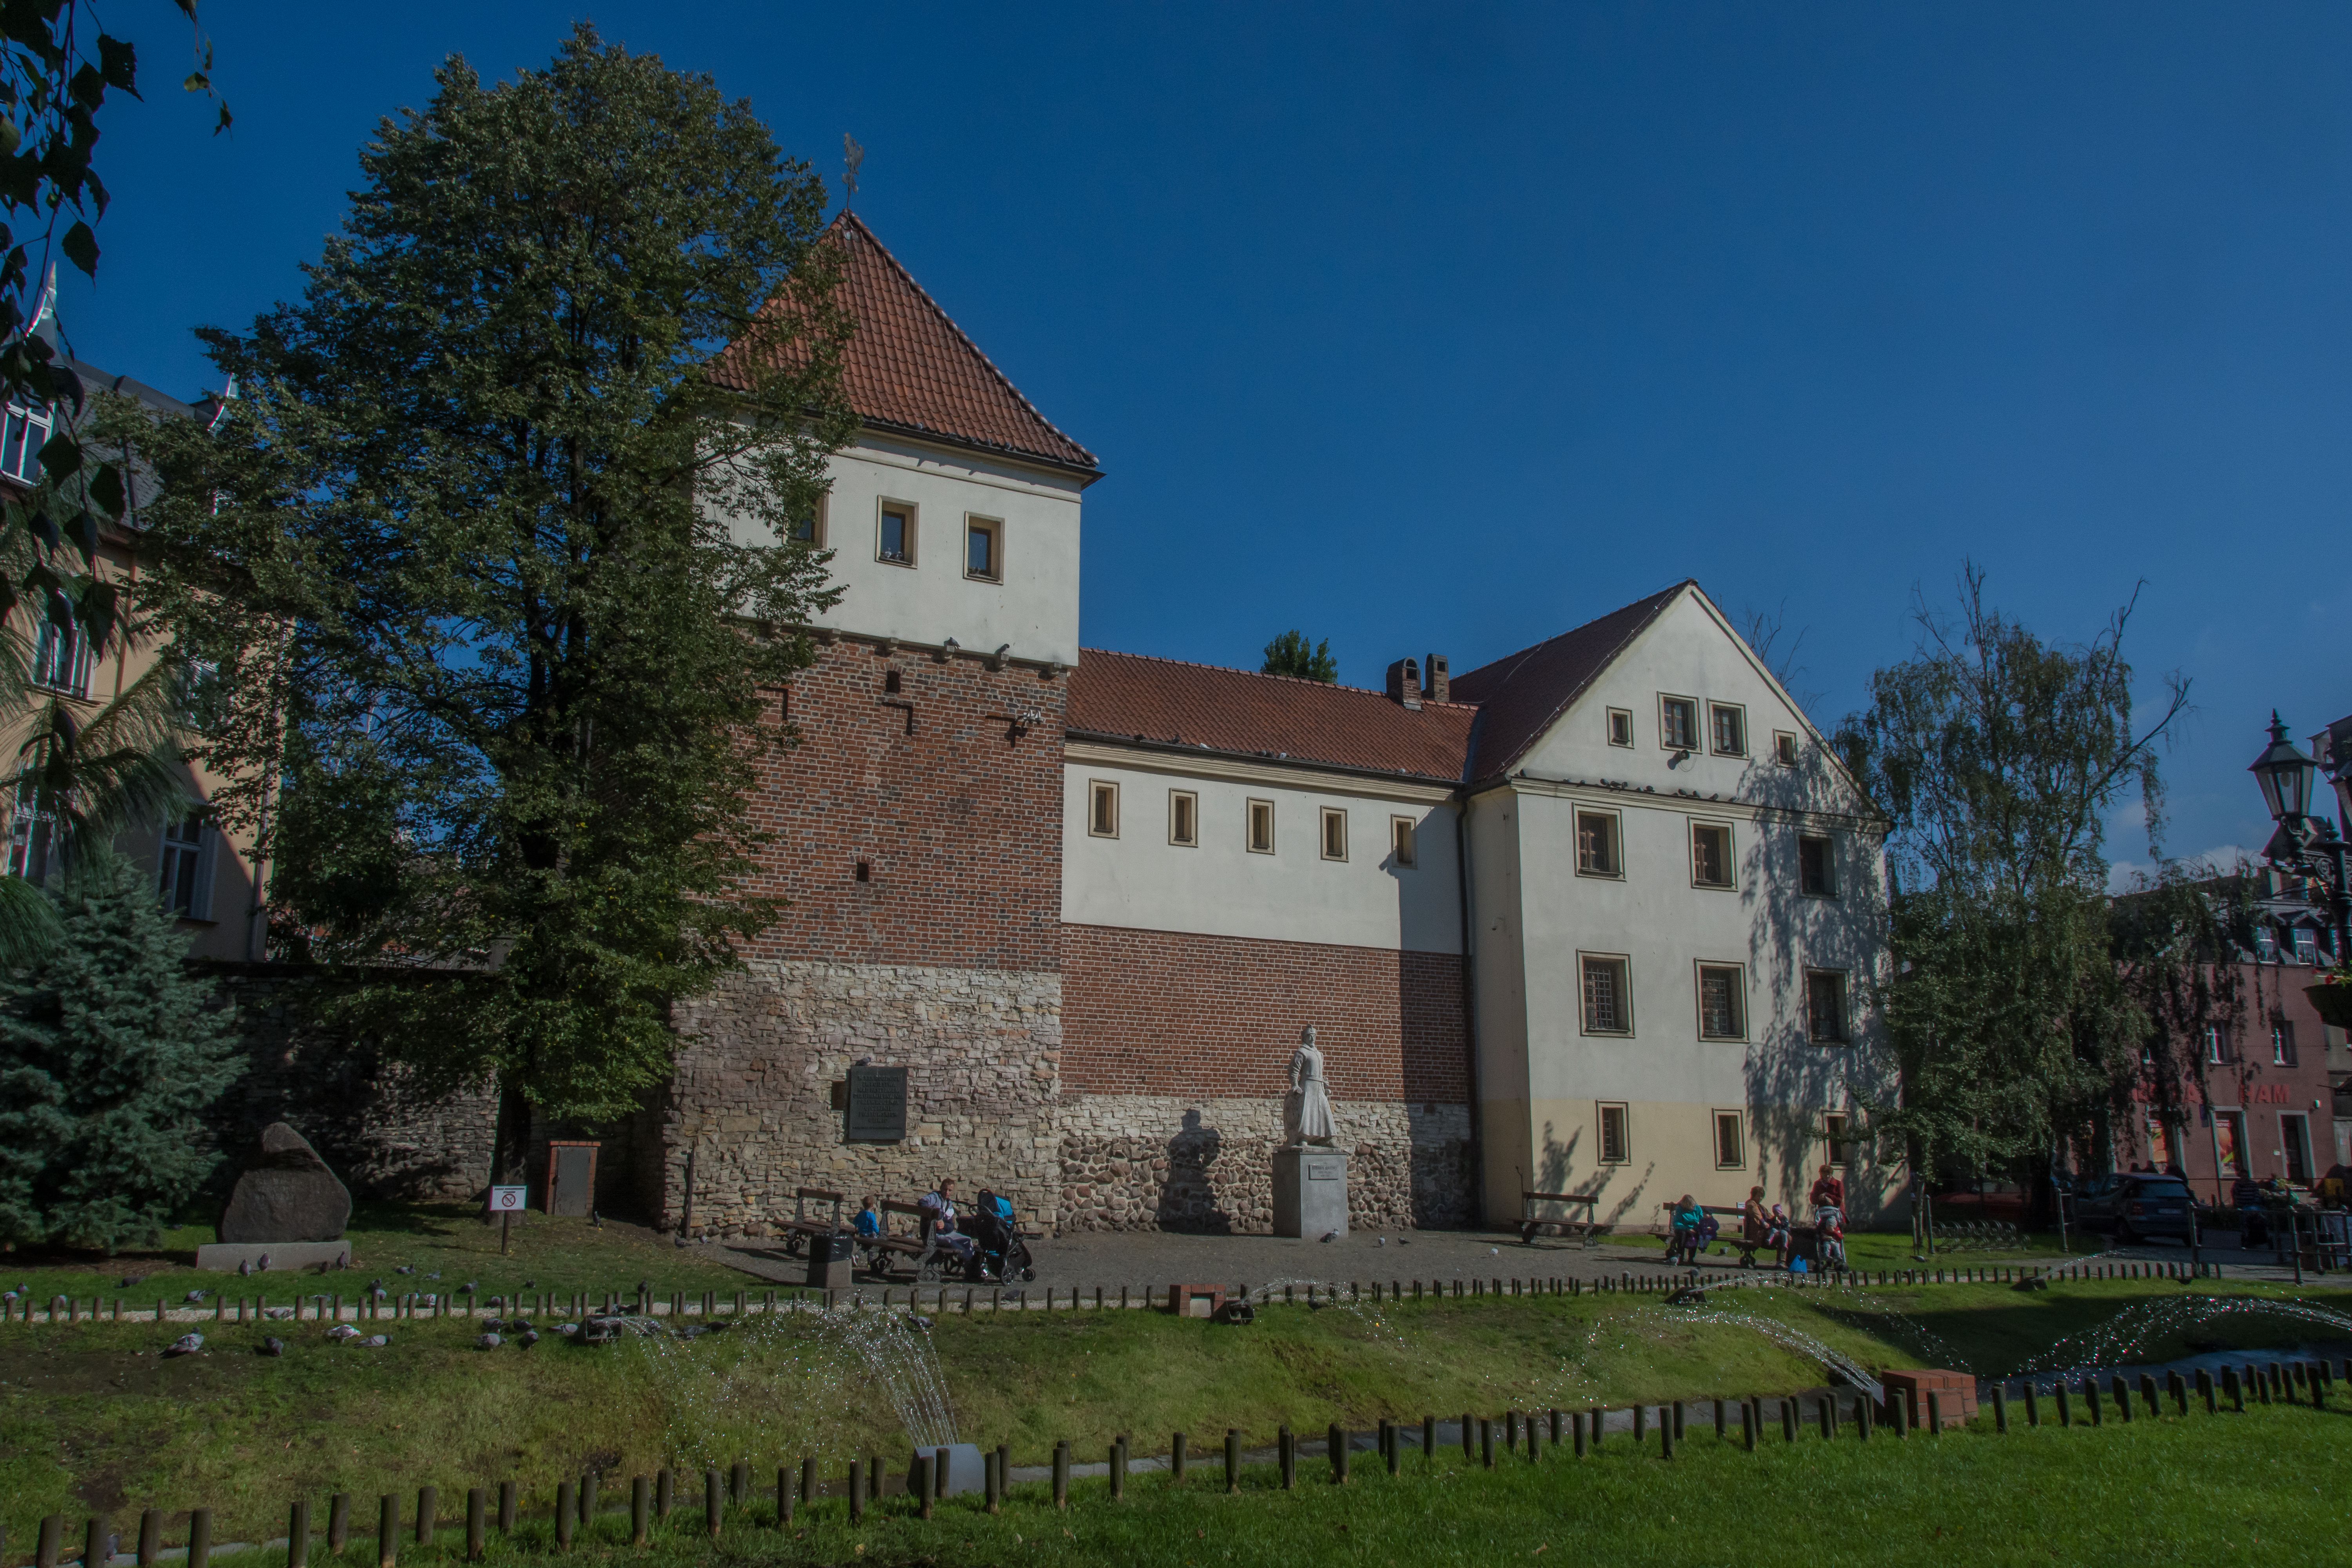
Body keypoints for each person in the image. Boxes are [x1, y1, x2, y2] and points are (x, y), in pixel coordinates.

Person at [919, 1177, 978, 1269]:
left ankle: (970, 1265)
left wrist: (944, 1225)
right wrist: (933, 1219)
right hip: (932, 1235)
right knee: (952, 1243)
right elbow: (922, 1203)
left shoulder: (949, 1204)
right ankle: (968, 1263)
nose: (947, 1193)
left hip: (945, 1233)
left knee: (968, 1240)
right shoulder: (935, 1198)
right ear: (941, 1188)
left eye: (950, 1191)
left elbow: (951, 1226)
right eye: (945, 1189)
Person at [1668, 1194, 1705, 1266]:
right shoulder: (1680, 1208)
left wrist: (1698, 1228)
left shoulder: (1698, 1208)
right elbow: (1677, 1223)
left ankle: (1691, 1259)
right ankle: (1680, 1258)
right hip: (1683, 1228)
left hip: (1694, 1228)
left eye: (1693, 1205)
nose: (1693, 1207)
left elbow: (1701, 1221)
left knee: (1696, 1236)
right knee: (1682, 1236)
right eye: (1691, 1206)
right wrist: (1687, 1229)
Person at [1742, 1186, 1771, 1268]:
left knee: (1784, 1236)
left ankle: (1782, 1262)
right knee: (1778, 1237)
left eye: (1762, 1196)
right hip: (1754, 1232)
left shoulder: (1761, 1206)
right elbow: (1756, 1214)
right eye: (1759, 1196)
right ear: (1754, 1195)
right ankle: (1781, 1262)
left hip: (1763, 1231)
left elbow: (1769, 1215)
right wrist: (1764, 1222)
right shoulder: (1750, 1204)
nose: (1760, 1198)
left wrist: (1778, 1219)